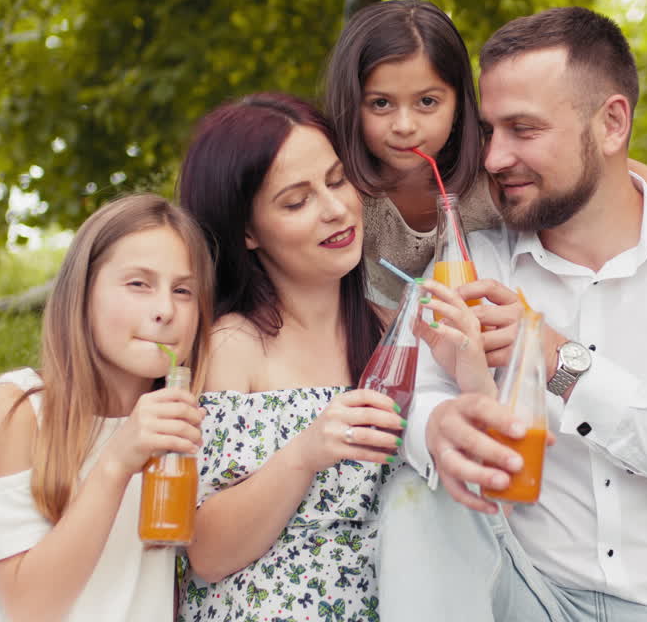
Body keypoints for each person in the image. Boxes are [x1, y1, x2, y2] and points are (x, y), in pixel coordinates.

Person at [378, 8, 647, 622]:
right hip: (521, 591)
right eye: (489, 131)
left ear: (612, 124)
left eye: (523, 129)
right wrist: (436, 428)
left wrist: (555, 359)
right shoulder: (475, 257)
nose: (494, 158)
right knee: (416, 489)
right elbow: (421, 398)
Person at [175, 93, 488, 622]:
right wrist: (306, 452)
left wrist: (472, 374)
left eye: (337, 180)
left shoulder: (395, 331)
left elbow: (473, 490)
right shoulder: (233, 345)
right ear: (246, 231)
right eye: (297, 202)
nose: (335, 209)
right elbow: (206, 553)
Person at [0, 193, 215, 622]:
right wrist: (117, 462)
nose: (164, 310)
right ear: (82, 292)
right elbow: (31, 608)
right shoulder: (17, 411)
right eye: (138, 284)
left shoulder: (188, 425)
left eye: (183, 290)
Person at [322, 0, 647, 308]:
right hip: (372, 333)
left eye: (427, 102)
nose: (404, 125)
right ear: (352, 103)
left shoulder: (488, 172)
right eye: (380, 103)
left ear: (458, 103)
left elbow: (606, 164)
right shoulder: (344, 190)